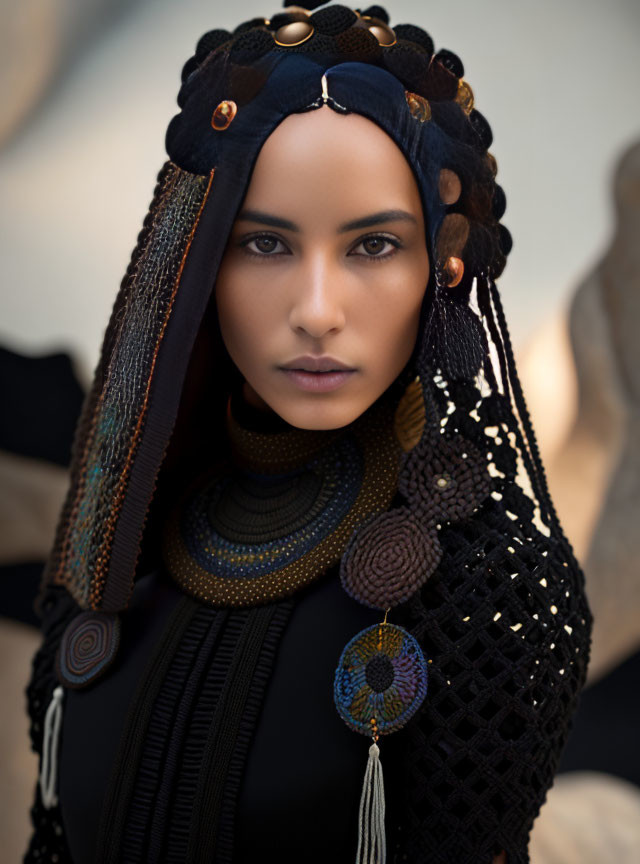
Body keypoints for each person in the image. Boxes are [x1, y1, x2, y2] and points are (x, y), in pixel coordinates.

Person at [24, 4, 592, 862]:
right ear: (199, 259)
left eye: (372, 246)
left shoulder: (491, 585)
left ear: (440, 268)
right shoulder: (113, 556)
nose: (317, 312)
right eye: (264, 245)